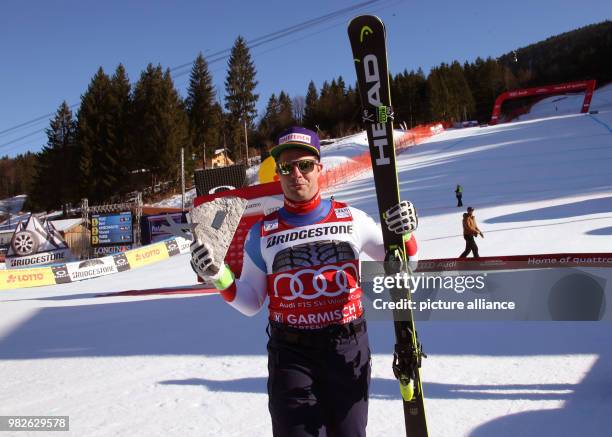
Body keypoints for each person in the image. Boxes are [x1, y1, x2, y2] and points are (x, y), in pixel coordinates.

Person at [190, 126, 419, 437]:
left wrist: (405, 235)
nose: (296, 173)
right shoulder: (262, 232)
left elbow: (404, 269)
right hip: (291, 355)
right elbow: (251, 302)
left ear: (319, 168)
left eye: (305, 165)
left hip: (347, 348)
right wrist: (218, 275)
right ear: (278, 174)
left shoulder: (352, 219)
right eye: (286, 166)